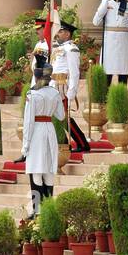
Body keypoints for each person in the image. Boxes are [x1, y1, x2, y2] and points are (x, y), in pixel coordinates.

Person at [22, 54, 64, 215]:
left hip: (37, 132)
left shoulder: (33, 95)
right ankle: (48, 208)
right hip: (50, 129)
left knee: (35, 171)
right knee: (48, 170)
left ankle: (37, 209)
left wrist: (25, 146)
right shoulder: (54, 93)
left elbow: (28, 122)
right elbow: (61, 116)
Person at [50, 19, 90, 153]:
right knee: (56, 116)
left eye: (61, 31)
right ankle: (64, 143)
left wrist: (72, 90)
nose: (58, 34)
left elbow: (74, 72)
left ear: (67, 34)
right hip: (54, 84)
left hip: (63, 86)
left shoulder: (72, 49)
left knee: (64, 117)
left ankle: (81, 142)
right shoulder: (57, 47)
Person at [92, 0, 128, 85]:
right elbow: (95, 22)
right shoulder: (106, 3)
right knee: (107, 76)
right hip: (109, 45)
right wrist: (102, 9)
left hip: (124, 45)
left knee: (123, 76)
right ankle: (106, 100)